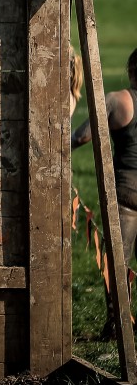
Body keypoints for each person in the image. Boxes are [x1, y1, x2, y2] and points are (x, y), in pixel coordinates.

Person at [72, 47, 137, 336]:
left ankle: (117, 324)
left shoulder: (118, 100)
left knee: (117, 262)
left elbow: (82, 136)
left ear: (131, 71)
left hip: (126, 193)